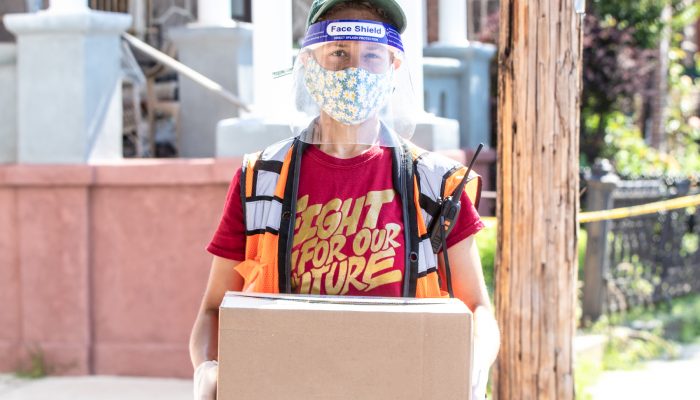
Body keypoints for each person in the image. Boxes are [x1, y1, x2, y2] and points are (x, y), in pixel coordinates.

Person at [190, 1, 500, 399]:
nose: (354, 69)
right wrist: (208, 370)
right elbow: (214, 310)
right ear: (309, 64)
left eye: (371, 55)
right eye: (338, 53)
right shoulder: (260, 180)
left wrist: (473, 367)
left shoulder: (437, 186)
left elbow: (477, 310)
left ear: (393, 68)